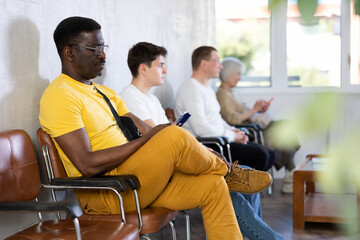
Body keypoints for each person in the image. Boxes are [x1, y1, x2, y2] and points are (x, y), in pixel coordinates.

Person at [39, 16, 273, 240]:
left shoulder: (105, 92)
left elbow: (148, 133)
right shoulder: (60, 95)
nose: (102, 55)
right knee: (171, 132)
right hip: (108, 192)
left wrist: (196, 149)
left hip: (136, 179)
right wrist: (156, 138)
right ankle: (228, 172)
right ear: (69, 52)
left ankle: (222, 173)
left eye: (104, 47)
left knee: (213, 185)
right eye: (94, 49)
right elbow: (87, 164)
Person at [121, 41, 285, 240]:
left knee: (246, 178)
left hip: (174, 162)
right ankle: (227, 173)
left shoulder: (152, 99)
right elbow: (157, 137)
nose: (164, 70)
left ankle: (229, 177)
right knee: (232, 187)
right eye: (159, 65)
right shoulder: (130, 97)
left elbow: (171, 133)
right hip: (160, 173)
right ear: (143, 69)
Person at [174, 46, 276, 172]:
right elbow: (200, 128)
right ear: (204, 64)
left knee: (269, 153)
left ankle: (243, 189)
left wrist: (234, 131)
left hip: (220, 139)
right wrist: (232, 136)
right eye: (217, 61)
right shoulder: (191, 89)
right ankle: (238, 189)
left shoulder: (207, 88)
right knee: (262, 155)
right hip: (209, 144)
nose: (221, 66)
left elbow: (217, 119)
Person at [217, 57, 301, 193]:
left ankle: (290, 174)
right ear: (228, 74)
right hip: (246, 131)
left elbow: (246, 113)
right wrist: (254, 110)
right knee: (284, 129)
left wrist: (259, 109)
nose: (239, 78)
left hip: (252, 127)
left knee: (286, 126)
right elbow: (232, 119)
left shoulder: (232, 93)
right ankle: (290, 174)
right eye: (237, 74)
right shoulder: (222, 94)